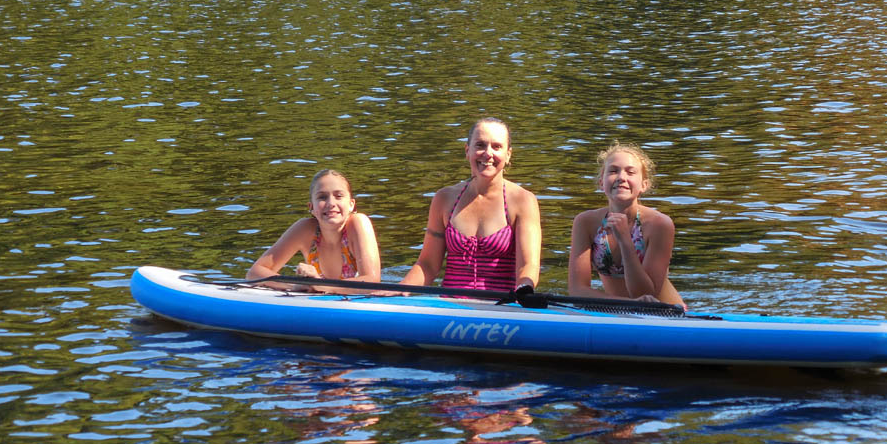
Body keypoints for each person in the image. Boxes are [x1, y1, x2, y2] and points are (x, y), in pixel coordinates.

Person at [401, 117, 541, 293]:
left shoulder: (523, 201)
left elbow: (528, 265)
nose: (488, 153)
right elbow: (428, 265)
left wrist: (524, 291)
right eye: (480, 145)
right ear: (467, 151)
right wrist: (400, 289)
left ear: (508, 155)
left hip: (502, 309)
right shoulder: (444, 198)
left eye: (496, 147)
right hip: (450, 306)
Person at [568, 142, 685, 309]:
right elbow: (577, 291)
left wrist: (625, 242)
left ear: (644, 185)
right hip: (617, 310)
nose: (621, 177)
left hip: (664, 312)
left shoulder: (659, 224)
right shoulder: (585, 222)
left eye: (630, 172)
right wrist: (627, 305)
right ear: (602, 182)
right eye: (613, 171)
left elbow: (644, 296)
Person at [247, 169, 380, 292]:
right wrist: (295, 285)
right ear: (311, 207)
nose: (331, 203)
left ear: (351, 205)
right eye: (322, 197)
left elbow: (371, 281)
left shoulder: (358, 223)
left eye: (338, 196)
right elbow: (255, 273)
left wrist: (320, 285)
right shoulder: (304, 229)